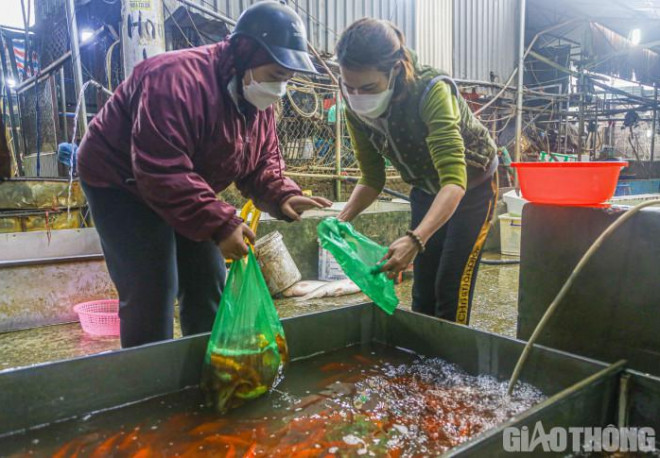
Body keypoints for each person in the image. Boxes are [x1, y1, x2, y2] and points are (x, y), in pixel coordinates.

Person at [76, 1, 331, 348]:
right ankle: (152, 384)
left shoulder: (256, 100)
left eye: (286, 80)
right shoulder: (173, 80)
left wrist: (281, 193)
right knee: (152, 287)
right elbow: (159, 168)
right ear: (244, 55)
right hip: (122, 182)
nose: (279, 89)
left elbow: (261, 161)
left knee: (208, 277)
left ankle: (208, 367)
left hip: (187, 186)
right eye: (275, 77)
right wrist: (219, 224)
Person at [335, 19, 498, 325]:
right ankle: (423, 368)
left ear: (395, 69)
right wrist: (340, 220)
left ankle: (452, 368)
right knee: (423, 291)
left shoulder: (431, 91)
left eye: (368, 87)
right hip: (425, 188)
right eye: (349, 86)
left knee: (449, 288)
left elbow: (454, 181)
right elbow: (372, 178)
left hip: (471, 185)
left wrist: (415, 239)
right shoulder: (354, 109)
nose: (358, 95)